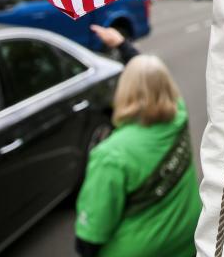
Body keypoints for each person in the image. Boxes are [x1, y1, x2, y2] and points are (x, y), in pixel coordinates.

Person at [75, 26, 202, 257]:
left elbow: (91, 235)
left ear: (124, 91)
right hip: (186, 240)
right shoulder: (178, 116)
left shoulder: (111, 155)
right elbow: (151, 79)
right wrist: (122, 44)